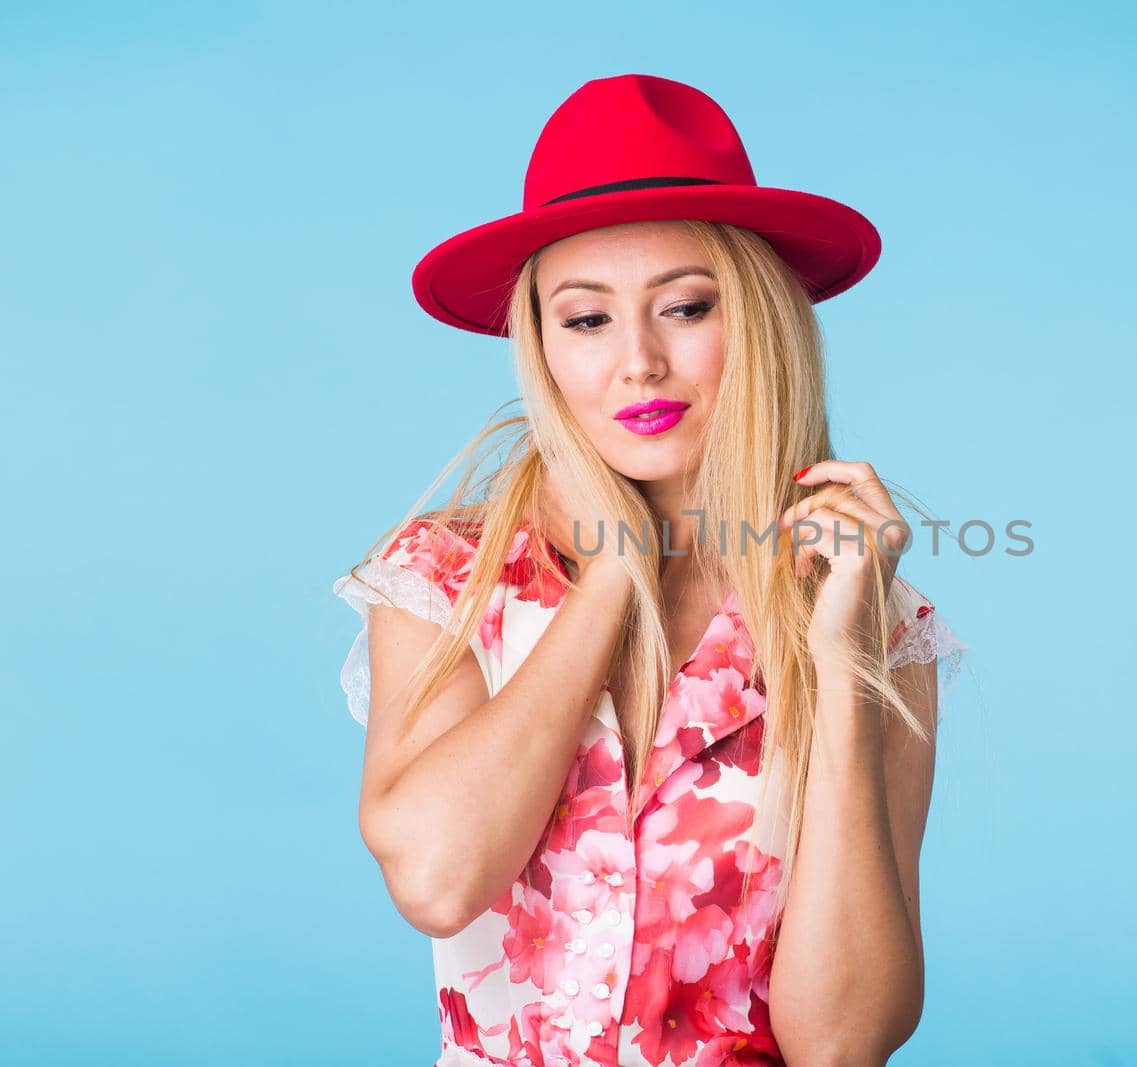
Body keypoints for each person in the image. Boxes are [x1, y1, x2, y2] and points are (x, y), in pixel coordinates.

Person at [331, 74, 967, 1067]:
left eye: (683, 306)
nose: (638, 362)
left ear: (755, 321)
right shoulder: (446, 576)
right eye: (586, 319)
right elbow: (438, 880)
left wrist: (839, 663)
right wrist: (612, 578)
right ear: (541, 345)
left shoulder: (877, 620)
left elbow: (844, 1041)